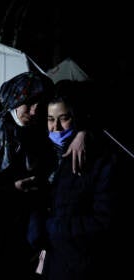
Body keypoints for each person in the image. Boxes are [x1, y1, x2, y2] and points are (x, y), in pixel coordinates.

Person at [0, 71, 87, 280]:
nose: (35, 110)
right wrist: (10, 189)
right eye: (29, 102)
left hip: (19, 244)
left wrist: (83, 133)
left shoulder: (43, 135)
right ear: (16, 100)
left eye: (40, 103)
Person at [37, 80, 120, 280]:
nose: (55, 127)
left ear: (77, 118)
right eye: (50, 119)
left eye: (63, 118)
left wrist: (55, 227)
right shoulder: (52, 157)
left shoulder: (101, 161)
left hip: (82, 267)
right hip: (54, 262)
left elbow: (105, 221)